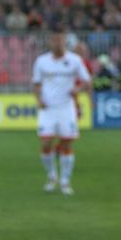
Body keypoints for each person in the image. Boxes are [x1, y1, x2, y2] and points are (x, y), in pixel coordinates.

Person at [32, 30, 92, 195]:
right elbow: (36, 83)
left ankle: (65, 180)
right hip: (48, 109)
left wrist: (77, 89)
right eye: (54, 39)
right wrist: (39, 100)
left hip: (66, 108)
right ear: (50, 42)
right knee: (45, 142)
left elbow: (87, 81)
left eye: (60, 39)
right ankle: (52, 176)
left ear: (64, 41)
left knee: (66, 144)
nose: (57, 42)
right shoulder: (41, 61)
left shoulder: (75, 60)